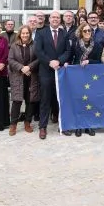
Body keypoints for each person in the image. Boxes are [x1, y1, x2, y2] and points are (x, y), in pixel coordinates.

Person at [35, 11, 72, 140]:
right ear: (49, 19)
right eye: (53, 17)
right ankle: (42, 127)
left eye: (57, 17)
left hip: (60, 71)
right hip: (46, 71)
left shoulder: (64, 33)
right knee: (45, 100)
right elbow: (38, 51)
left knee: (61, 99)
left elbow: (68, 51)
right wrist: (50, 61)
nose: (55, 19)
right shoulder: (41, 33)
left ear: (60, 20)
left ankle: (63, 126)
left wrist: (59, 61)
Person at [8, 25, 40, 135]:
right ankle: (13, 125)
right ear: (19, 34)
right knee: (17, 101)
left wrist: (29, 67)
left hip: (31, 76)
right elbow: (10, 60)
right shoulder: (14, 46)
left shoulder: (35, 45)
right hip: (18, 77)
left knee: (30, 101)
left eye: (27, 33)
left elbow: (39, 58)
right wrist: (22, 68)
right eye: (23, 33)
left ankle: (27, 122)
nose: (25, 35)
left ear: (30, 34)